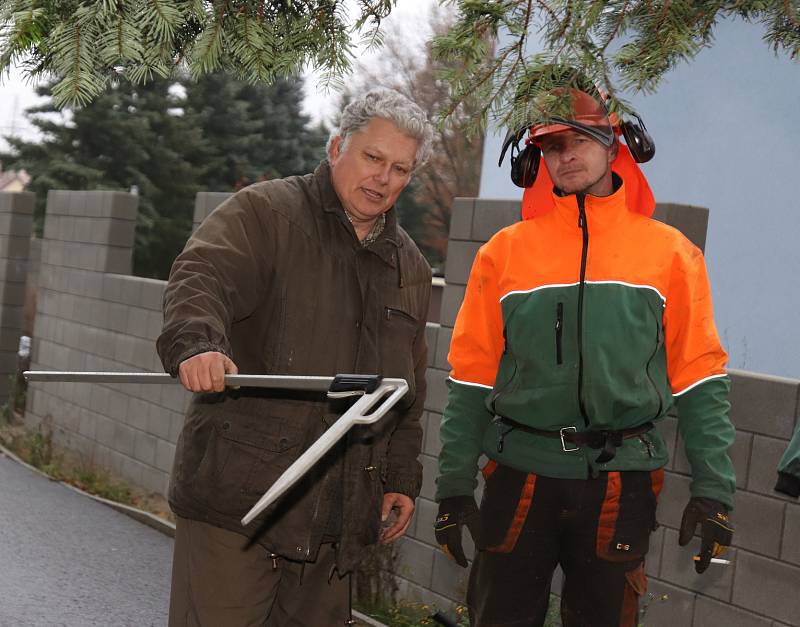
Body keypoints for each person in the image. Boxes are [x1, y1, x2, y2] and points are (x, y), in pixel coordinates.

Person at [433, 87, 736, 626]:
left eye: (579, 140)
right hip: (519, 474)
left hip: (621, 482)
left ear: (615, 143)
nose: (565, 156)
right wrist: (454, 486)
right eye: (551, 147)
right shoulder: (503, 253)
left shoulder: (671, 254)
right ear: (534, 159)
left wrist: (714, 490)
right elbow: (472, 378)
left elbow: (700, 376)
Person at [157, 88, 433, 627]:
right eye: (372, 158)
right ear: (337, 148)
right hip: (239, 499)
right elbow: (200, 276)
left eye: (400, 168)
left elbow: (407, 388)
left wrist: (400, 476)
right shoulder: (266, 213)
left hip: (339, 513)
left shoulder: (411, 269)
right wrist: (198, 344)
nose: (383, 178)